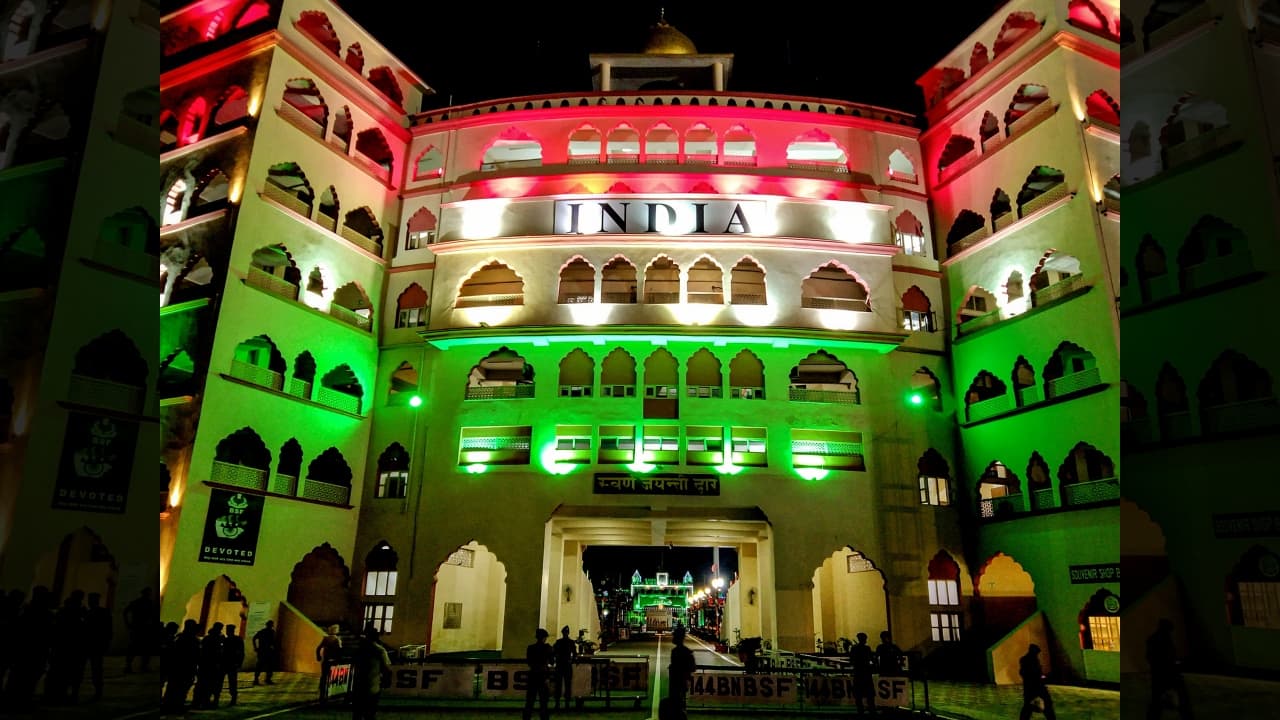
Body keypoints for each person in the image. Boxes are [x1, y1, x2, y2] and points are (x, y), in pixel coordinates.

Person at [1147, 619, 1192, 719]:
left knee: (1156, 700)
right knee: (1182, 696)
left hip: (1159, 673)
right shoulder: (1165, 639)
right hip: (1168, 672)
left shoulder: (1154, 639)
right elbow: (1168, 656)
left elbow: (1150, 657)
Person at [351, 623, 391, 720]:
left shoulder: (359, 650)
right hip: (373, 687)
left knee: (357, 714)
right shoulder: (380, 650)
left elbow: (354, 664)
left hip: (358, 687)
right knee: (370, 714)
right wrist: (387, 680)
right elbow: (387, 668)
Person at [161, 620, 200, 713]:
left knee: (175, 688)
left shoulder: (179, 638)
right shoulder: (189, 640)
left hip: (179, 668)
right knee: (179, 688)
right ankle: (174, 705)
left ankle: (171, 705)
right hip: (184, 668)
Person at [85, 592, 112, 702]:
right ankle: (97, 691)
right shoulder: (90, 612)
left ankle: (98, 691)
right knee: (96, 669)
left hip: (95, 645)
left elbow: (108, 630)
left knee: (96, 669)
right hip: (91, 644)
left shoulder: (98, 613)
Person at [522, 628, 554, 720]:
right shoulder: (548, 648)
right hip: (543, 675)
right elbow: (551, 662)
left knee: (530, 700)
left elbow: (529, 662)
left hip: (533, 675)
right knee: (543, 701)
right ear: (544, 638)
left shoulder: (530, 648)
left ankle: (527, 717)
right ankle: (544, 717)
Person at [1018, 644, 1056, 720]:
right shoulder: (1032, 660)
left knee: (1028, 706)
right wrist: (1042, 678)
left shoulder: (1025, 660)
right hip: (1037, 686)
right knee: (1047, 705)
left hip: (1029, 688)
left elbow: (1023, 673)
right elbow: (1034, 674)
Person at [123, 587, 157, 673]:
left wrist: (128, 623)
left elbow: (125, 612)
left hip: (140, 627)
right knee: (139, 647)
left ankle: (133, 666)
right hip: (141, 627)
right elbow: (125, 612)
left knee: (138, 647)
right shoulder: (147, 603)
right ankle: (137, 666)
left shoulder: (139, 602)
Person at [665, 626, 696, 719]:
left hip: (676, 680)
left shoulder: (676, 651)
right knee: (680, 701)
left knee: (676, 701)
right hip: (682, 680)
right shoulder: (686, 651)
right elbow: (693, 667)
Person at [195, 622, 224, 707]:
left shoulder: (208, 638)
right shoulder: (214, 639)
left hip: (206, 664)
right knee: (208, 684)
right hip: (210, 664)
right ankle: (203, 701)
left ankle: (199, 701)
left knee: (203, 683)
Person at [849, 632, 876, 715]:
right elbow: (871, 659)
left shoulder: (854, 648)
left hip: (858, 673)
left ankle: (860, 710)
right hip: (866, 673)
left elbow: (851, 660)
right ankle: (871, 709)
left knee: (858, 694)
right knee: (869, 694)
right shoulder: (867, 648)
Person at [552, 625, 577, 710]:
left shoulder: (559, 642)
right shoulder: (570, 642)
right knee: (566, 684)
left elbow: (553, 652)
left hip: (561, 664)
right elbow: (575, 654)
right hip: (566, 664)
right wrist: (572, 660)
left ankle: (559, 703)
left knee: (560, 684)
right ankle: (565, 702)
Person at [220, 624, 245, 707]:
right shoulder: (227, 640)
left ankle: (233, 698)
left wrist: (239, 663)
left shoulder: (233, 640)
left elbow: (241, 652)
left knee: (231, 682)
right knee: (230, 682)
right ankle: (232, 698)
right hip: (227, 663)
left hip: (230, 663)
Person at [317, 624, 343, 701]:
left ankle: (321, 694)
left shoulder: (325, 639)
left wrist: (318, 656)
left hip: (325, 660)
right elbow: (339, 651)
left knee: (324, 676)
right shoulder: (337, 640)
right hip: (333, 661)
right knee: (331, 678)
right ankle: (329, 694)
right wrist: (339, 660)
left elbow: (318, 648)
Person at [253, 620, 277, 685]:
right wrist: (255, 647)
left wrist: (255, 647)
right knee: (263, 665)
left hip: (264, 650)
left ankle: (262, 679)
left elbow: (254, 638)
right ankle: (260, 679)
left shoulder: (264, 632)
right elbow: (254, 638)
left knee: (265, 665)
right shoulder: (268, 632)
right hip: (265, 650)